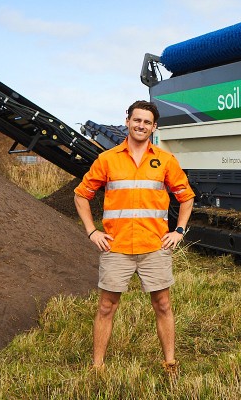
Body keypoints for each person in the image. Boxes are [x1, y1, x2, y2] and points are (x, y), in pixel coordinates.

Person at [74, 100, 194, 376]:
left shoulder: (165, 160)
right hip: (116, 247)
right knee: (106, 307)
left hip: (154, 246)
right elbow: (81, 195)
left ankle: (170, 364)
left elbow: (186, 198)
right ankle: (97, 367)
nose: (141, 125)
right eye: (136, 120)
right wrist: (92, 231)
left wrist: (178, 231)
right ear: (127, 122)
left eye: (147, 122)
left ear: (154, 127)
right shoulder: (107, 159)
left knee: (163, 304)